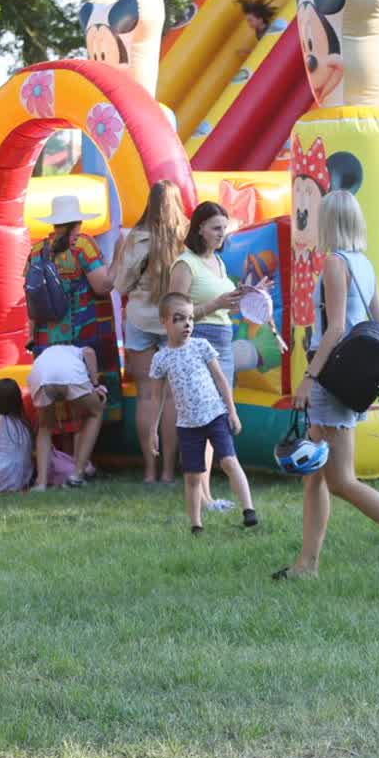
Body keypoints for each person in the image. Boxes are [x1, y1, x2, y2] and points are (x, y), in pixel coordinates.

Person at [274, 191, 379, 581]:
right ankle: (307, 564)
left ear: (328, 222)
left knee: (340, 479)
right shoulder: (363, 263)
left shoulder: (334, 262)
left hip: (332, 375)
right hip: (347, 374)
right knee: (314, 474)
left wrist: (309, 376)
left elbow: (334, 329)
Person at [150, 293, 256, 533]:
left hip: (215, 415)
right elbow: (157, 397)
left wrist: (232, 411)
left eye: (190, 319)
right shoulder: (161, 358)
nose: (187, 324)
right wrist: (152, 430)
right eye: (179, 319)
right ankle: (196, 524)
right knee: (193, 476)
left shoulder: (201, 346)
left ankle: (249, 509)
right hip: (187, 425)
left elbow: (220, 379)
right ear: (164, 321)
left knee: (229, 461)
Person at [168, 201, 245, 510]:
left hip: (222, 342)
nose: (221, 234)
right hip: (198, 343)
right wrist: (216, 304)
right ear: (199, 228)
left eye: (224, 229)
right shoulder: (185, 264)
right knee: (204, 420)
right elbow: (176, 312)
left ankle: (206, 495)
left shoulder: (218, 262)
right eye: (215, 228)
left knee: (216, 419)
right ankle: (202, 496)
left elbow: (223, 305)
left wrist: (244, 299)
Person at [110, 180, 188, 484]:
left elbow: (120, 285)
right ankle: (169, 471)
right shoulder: (186, 238)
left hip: (141, 320)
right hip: (175, 323)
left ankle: (149, 471)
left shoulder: (136, 238)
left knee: (147, 396)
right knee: (171, 399)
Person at [26, 195, 121, 430]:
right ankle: (84, 458)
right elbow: (103, 285)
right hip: (83, 335)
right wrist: (119, 256)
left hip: (46, 338)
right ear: (77, 223)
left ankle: (62, 452)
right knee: (84, 390)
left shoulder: (37, 250)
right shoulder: (83, 246)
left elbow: (30, 294)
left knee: (54, 403)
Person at [26, 343, 105, 490]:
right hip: (70, 373)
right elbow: (89, 352)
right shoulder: (79, 350)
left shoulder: (49, 353)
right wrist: (95, 384)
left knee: (45, 427)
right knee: (96, 412)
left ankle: (41, 482)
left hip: (39, 375)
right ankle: (77, 474)